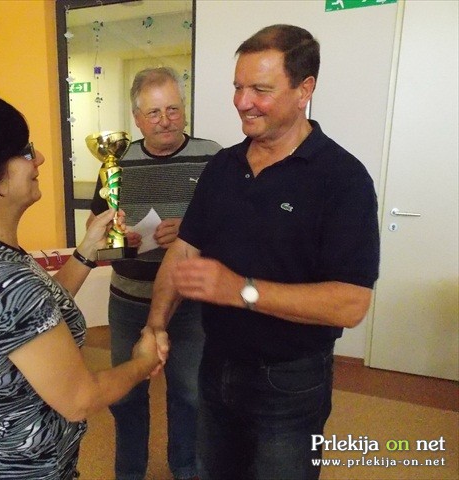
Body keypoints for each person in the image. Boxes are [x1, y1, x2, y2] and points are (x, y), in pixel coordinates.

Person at [146, 25, 380, 480]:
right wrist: (155, 324)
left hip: (291, 378)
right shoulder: (223, 166)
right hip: (216, 363)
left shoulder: (343, 179)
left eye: (260, 89)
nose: (242, 101)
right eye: (238, 87)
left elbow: (351, 304)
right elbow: (184, 251)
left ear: (304, 90)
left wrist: (240, 290)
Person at [0, 92, 165, 480]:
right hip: (22, 470)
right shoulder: (2, 281)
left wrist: (87, 249)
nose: (38, 158)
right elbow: (79, 399)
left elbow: (32, 316)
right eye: (25, 151)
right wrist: (143, 362)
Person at [87, 67, 221, 480]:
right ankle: (130, 473)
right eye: (154, 113)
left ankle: (186, 468)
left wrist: (192, 231)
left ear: (184, 110)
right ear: (137, 118)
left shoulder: (214, 156)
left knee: (190, 393)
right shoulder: (116, 161)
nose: (165, 120)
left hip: (190, 300)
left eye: (173, 109)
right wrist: (117, 235)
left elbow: (235, 226)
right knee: (126, 393)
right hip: (128, 300)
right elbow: (96, 226)